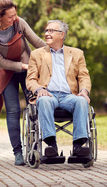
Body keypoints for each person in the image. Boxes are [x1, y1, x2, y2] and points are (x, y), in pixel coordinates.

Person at [0, 0, 46, 166]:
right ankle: (18, 152)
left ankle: (37, 147)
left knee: (34, 105)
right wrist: (22, 66)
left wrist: (57, 51)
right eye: (10, 16)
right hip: (8, 72)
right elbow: (0, 62)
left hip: (27, 69)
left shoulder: (19, 23)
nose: (14, 18)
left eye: (15, 14)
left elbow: (37, 42)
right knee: (12, 111)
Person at [26, 19, 92, 160]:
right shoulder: (36, 54)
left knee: (81, 101)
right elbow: (30, 79)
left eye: (51, 31)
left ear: (62, 35)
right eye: (46, 31)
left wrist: (84, 91)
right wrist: (38, 90)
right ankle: (51, 146)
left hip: (69, 96)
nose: (46, 34)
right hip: (48, 95)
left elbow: (84, 77)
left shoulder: (77, 53)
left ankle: (78, 147)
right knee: (43, 100)